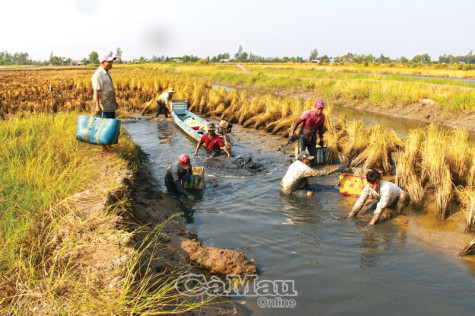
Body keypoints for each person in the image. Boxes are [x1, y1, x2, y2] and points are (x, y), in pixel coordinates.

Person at [92, 53, 118, 152]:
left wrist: (115, 101)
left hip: (110, 104)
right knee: (104, 126)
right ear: (102, 62)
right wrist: (97, 106)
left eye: (112, 62)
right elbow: (96, 92)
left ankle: (108, 145)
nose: (111, 64)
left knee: (110, 125)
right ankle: (104, 148)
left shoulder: (107, 73)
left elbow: (110, 89)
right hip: (104, 105)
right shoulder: (98, 74)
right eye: (109, 62)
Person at [289, 99, 326, 165]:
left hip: (312, 138)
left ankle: (309, 170)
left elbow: (321, 129)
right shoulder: (308, 113)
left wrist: (321, 140)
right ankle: (299, 168)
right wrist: (292, 133)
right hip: (303, 137)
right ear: (315, 107)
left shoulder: (322, 117)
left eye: (321, 108)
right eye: (318, 108)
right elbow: (297, 122)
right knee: (301, 155)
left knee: (312, 157)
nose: (320, 110)